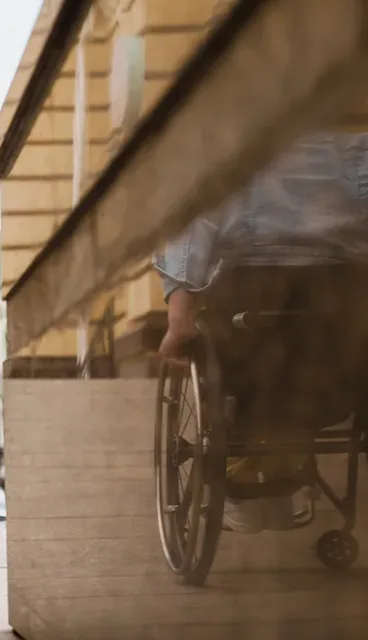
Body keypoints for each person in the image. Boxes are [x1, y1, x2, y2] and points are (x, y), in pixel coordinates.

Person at [154, 131, 368, 534]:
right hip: (340, 335)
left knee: (255, 344)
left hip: (252, 329)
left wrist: (179, 318)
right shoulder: (354, 154)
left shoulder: (220, 157)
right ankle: (282, 460)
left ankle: (261, 469)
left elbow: (190, 229)